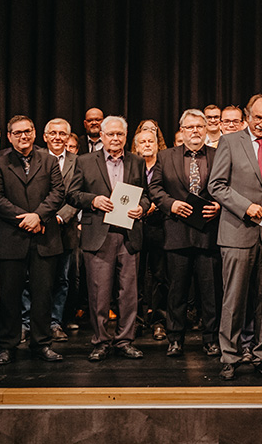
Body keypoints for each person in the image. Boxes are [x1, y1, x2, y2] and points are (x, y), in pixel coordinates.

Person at [208, 93, 262, 380]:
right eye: (257, 118)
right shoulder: (229, 142)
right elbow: (216, 185)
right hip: (237, 232)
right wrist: (246, 207)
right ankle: (230, 356)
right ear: (247, 117)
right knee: (233, 299)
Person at [0, 115, 67, 365]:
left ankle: (41, 344)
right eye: (18, 132)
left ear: (34, 133)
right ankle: (7, 345)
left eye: (28, 131)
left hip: (44, 237)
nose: (24, 136)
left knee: (43, 294)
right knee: (9, 296)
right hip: (12, 237)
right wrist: (24, 219)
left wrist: (38, 216)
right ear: (9, 136)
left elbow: (58, 193)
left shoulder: (50, 160)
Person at [67, 116, 149, 362]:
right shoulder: (84, 161)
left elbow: (145, 195)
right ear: (101, 136)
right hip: (98, 234)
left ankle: (125, 340)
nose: (115, 138)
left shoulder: (136, 161)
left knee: (129, 293)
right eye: (110, 134)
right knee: (99, 292)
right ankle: (101, 341)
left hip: (128, 233)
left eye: (120, 134)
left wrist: (142, 209)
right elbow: (72, 194)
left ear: (126, 137)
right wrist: (92, 200)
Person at [148, 109, 223, 357]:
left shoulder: (218, 154)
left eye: (199, 127)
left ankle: (211, 339)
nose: (195, 131)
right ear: (181, 130)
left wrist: (220, 206)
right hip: (177, 232)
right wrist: (171, 204)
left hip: (209, 233)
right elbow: (155, 188)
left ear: (206, 129)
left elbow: (228, 186)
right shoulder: (165, 156)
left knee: (210, 292)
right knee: (176, 291)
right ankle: (175, 339)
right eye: (189, 127)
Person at [43, 118, 79, 342]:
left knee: (62, 279)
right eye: (53, 133)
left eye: (62, 133)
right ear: (45, 136)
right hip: (39, 227)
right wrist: (43, 217)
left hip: (65, 229)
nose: (57, 137)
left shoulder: (79, 161)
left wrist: (60, 217)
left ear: (68, 137)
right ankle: (29, 322)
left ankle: (55, 322)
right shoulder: (35, 158)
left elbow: (79, 193)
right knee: (33, 279)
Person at [133, 127, 169, 341]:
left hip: (160, 226)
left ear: (157, 145)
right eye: (143, 141)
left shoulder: (164, 166)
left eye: (151, 141)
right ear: (136, 147)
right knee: (134, 278)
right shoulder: (132, 167)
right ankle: (135, 321)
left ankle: (159, 322)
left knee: (160, 276)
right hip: (135, 226)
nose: (147, 144)